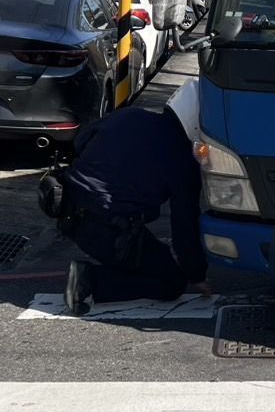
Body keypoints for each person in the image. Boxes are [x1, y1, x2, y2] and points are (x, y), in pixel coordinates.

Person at [57, 82, 210, 315]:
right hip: (108, 227)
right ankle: (88, 280)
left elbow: (81, 141)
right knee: (171, 282)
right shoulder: (183, 162)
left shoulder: (129, 116)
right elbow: (184, 224)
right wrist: (196, 274)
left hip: (67, 209)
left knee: (148, 252)